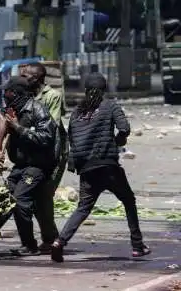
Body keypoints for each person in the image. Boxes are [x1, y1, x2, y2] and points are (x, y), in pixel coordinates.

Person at [51, 73, 150, 262]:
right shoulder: (110, 106)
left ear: (86, 90)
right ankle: (137, 245)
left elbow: (71, 139)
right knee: (128, 201)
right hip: (108, 166)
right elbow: (124, 128)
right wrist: (117, 142)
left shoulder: (77, 113)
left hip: (87, 169)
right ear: (103, 90)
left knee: (83, 208)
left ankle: (59, 242)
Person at [2, 76, 58, 256]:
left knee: (20, 201)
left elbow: (46, 138)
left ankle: (30, 245)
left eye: (9, 95)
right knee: (5, 199)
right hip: (20, 165)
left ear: (18, 94)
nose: (6, 98)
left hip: (37, 166)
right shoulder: (14, 111)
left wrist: (18, 128)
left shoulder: (37, 109)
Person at [24, 62, 68, 252]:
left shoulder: (52, 96)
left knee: (44, 195)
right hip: (37, 153)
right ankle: (51, 238)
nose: (23, 79)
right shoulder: (28, 96)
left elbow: (52, 124)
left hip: (54, 154)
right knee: (36, 197)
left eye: (27, 76)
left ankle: (51, 239)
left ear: (38, 78)